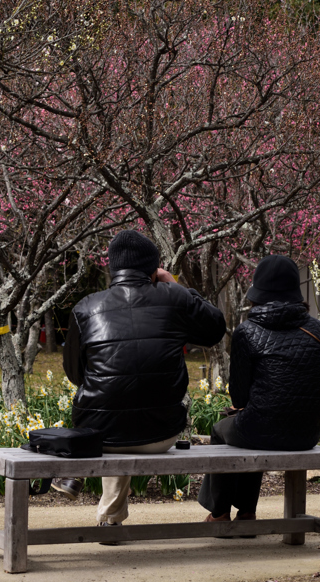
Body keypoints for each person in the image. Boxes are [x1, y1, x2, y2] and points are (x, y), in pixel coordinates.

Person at [54, 230, 226, 537]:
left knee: (111, 411)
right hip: (161, 433)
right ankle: (108, 516)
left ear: (112, 267)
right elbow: (215, 329)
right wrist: (175, 284)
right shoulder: (173, 297)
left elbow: (75, 374)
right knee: (131, 410)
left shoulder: (85, 307)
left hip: (100, 436)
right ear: (154, 268)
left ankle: (108, 515)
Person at [198, 255, 320, 528]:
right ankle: (247, 513)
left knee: (228, 428)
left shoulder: (248, 331)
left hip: (259, 427)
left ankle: (220, 512)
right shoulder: (316, 329)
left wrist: (244, 406)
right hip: (307, 432)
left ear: (259, 293)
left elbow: (239, 398)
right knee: (254, 424)